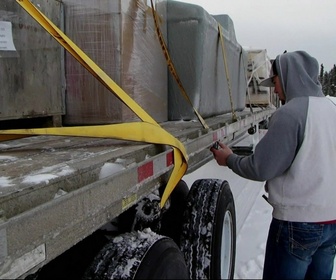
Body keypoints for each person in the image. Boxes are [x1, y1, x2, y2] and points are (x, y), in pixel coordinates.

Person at [211, 50, 336, 279]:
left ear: (289, 76)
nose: (275, 89)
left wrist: (228, 159)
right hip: (331, 224)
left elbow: (262, 168)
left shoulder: (290, 114)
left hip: (297, 224)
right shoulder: (332, 110)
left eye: (275, 81)